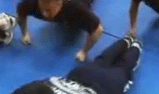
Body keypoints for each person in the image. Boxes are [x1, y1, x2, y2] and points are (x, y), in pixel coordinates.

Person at [17, 0, 104, 61]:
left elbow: (98, 30)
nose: (44, 14)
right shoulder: (32, 2)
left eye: (48, 10)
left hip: (83, 0)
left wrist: (84, 52)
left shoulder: (77, 8)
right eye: (42, 9)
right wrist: (24, 33)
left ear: (60, 4)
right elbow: (21, 14)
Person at [12, 35, 142, 94]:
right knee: (101, 61)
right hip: (78, 76)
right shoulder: (34, 89)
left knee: (123, 69)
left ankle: (134, 44)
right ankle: (127, 40)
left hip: (104, 86)